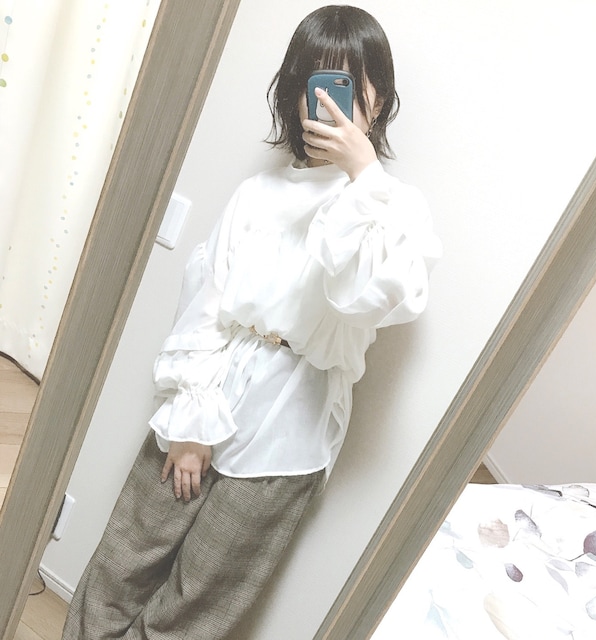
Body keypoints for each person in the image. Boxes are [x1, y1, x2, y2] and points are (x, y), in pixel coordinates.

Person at [62, 5, 442, 639]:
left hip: (291, 430)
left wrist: (362, 178)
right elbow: (204, 303)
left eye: (352, 81)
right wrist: (191, 423)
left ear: (379, 95)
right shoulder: (257, 194)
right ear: (296, 91)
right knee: (120, 566)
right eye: (319, 80)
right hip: (206, 392)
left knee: (198, 607)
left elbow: (365, 297)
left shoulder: (397, 210)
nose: (334, 99)